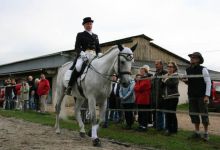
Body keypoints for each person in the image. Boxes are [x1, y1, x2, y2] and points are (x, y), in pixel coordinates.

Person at [65, 17, 101, 95]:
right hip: (84, 54)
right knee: (78, 67)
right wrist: (82, 53)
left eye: (90, 24)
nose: (89, 25)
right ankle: (70, 86)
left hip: (94, 55)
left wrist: (99, 54)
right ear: (84, 25)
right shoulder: (80, 34)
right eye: (87, 24)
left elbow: (98, 48)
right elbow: (77, 47)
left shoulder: (96, 36)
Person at [183, 52, 211, 141]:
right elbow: (190, 82)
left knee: (204, 115)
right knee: (193, 114)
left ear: (198, 59)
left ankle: (206, 133)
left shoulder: (203, 69)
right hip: (192, 95)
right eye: (191, 57)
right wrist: (185, 81)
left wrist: (207, 95)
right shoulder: (187, 70)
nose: (191, 58)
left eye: (193, 57)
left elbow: (208, 82)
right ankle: (197, 133)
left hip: (202, 96)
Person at [162, 61, 180, 136]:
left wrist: (164, 80)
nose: (169, 68)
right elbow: (162, 85)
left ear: (174, 68)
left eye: (171, 66)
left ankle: (174, 131)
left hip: (173, 96)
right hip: (166, 97)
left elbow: (172, 84)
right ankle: (168, 129)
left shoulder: (176, 75)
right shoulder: (166, 75)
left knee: (172, 114)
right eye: (168, 66)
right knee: (167, 114)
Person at [134, 65, 152, 132]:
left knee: (144, 113)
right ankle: (140, 125)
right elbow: (135, 87)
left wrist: (137, 87)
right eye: (140, 71)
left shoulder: (146, 79)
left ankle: (144, 126)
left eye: (142, 71)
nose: (140, 72)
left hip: (144, 99)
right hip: (139, 99)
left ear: (145, 72)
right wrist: (137, 87)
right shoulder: (140, 79)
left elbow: (141, 88)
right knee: (140, 113)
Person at [151, 60, 168, 131]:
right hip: (155, 96)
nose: (156, 65)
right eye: (155, 64)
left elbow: (165, 84)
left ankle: (164, 127)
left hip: (162, 95)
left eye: (157, 64)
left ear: (161, 65)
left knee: (163, 112)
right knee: (157, 111)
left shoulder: (165, 73)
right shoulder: (156, 73)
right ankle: (158, 126)